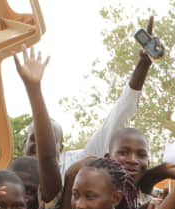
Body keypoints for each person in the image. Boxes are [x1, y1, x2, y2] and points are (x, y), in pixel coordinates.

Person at [22, 16, 157, 174]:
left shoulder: (79, 163)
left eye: (49, 141)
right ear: (24, 143)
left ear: (61, 148)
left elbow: (120, 113)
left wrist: (144, 62)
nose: (42, 144)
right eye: (35, 139)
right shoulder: (8, 176)